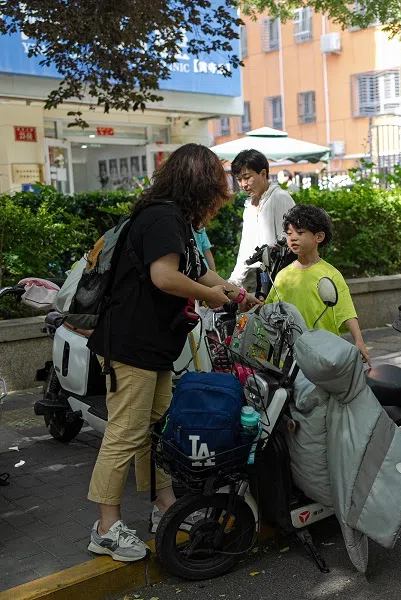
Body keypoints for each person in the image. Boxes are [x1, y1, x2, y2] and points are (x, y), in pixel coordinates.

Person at [86, 144, 261, 562]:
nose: (221, 193)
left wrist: (238, 294)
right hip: (129, 345)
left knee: (160, 432)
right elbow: (164, 277)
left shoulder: (176, 221)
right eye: (217, 184)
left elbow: (200, 272)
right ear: (198, 183)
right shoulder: (163, 217)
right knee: (126, 434)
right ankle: (106, 528)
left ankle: (163, 503)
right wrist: (211, 297)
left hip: (154, 346)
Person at [265, 205, 370, 364]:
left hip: (323, 356)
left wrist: (359, 341)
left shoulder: (331, 274)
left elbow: (346, 312)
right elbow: (268, 310)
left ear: (319, 237)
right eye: (289, 233)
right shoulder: (282, 276)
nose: (292, 238)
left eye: (300, 233)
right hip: (287, 358)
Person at [229, 150, 296, 295]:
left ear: (263, 174)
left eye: (247, 177)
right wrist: (234, 281)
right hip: (262, 277)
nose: (243, 185)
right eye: (239, 179)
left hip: (284, 277)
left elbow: (288, 243)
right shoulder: (249, 206)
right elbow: (246, 247)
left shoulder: (280, 198)